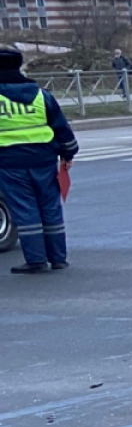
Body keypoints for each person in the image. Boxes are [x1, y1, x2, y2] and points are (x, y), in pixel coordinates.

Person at [0, 48, 78, 274]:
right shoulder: (41, 95)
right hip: (44, 160)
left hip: (10, 163)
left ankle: (36, 261)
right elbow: (61, 127)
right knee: (50, 207)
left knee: (26, 210)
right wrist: (68, 154)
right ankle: (58, 258)